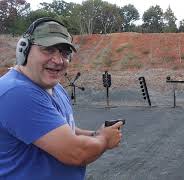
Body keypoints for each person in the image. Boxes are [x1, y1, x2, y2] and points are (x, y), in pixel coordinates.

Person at [0, 17, 123, 179]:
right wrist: (104, 139)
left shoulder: (54, 87)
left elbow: (63, 128)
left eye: (64, 53)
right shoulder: (16, 93)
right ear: (24, 50)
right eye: (48, 50)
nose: (58, 60)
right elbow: (76, 153)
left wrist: (95, 134)